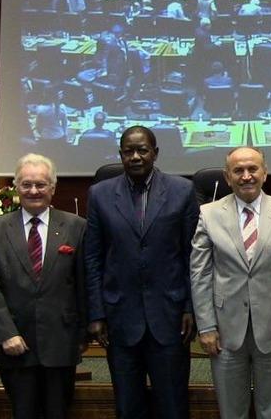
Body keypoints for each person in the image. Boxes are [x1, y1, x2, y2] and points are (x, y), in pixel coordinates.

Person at [85, 126, 198, 419]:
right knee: (127, 407)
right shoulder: (100, 194)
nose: (135, 157)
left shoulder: (182, 191)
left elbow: (192, 256)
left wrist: (190, 307)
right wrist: (96, 314)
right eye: (128, 151)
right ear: (120, 154)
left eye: (142, 150)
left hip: (170, 317)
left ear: (155, 153)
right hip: (119, 319)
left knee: (173, 407)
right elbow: (93, 258)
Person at [190, 146, 271, 419]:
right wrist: (206, 326)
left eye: (252, 169)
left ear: (264, 173)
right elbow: (200, 275)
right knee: (231, 411)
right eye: (238, 170)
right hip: (225, 330)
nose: (246, 176)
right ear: (227, 176)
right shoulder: (209, 214)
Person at [0, 154, 87, 419]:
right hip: (16, 344)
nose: (34, 191)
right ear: (16, 187)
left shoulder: (76, 227)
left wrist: (83, 334)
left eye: (41, 184)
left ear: (53, 188)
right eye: (26, 184)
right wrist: (6, 334)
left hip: (61, 342)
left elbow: (84, 283)